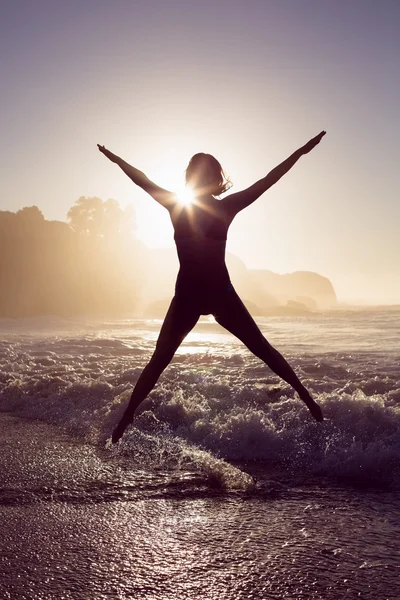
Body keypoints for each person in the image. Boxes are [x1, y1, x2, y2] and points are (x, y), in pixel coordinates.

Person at [98, 131, 326, 443]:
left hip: (221, 293)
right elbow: (142, 179)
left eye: (205, 173)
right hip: (189, 297)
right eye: (196, 173)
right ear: (191, 178)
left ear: (213, 177)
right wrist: (116, 159)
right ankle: (126, 417)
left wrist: (300, 151)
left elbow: (269, 179)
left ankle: (306, 397)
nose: (200, 177)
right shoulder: (182, 205)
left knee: (262, 349)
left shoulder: (223, 206)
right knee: (159, 359)